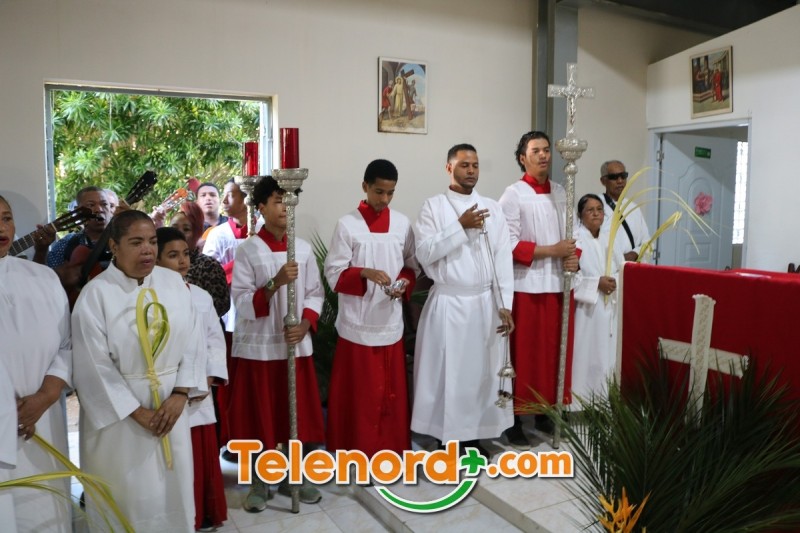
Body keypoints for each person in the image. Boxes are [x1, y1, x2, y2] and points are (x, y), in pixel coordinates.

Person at [72, 210, 202, 532]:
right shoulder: (96, 294)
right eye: (136, 242)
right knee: (126, 499)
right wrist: (137, 412)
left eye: (152, 241)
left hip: (171, 410)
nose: (147, 250)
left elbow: (193, 339)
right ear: (114, 246)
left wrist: (180, 394)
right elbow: (93, 365)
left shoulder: (174, 283)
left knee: (173, 494)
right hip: (120, 421)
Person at [227, 176, 324, 510]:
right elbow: (241, 301)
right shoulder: (248, 250)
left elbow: (315, 293)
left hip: (294, 344)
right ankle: (259, 481)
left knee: (294, 414)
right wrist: (275, 282)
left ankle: (294, 476)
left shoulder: (304, 249)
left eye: (290, 200)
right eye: (278, 200)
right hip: (260, 347)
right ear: (262, 207)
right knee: (261, 416)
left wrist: (306, 324)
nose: (285, 207)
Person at [411, 144, 514, 456]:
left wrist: (505, 305)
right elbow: (424, 253)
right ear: (449, 168)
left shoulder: (492, 208)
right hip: (449, 302)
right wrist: (460, 227)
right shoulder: (433, 207)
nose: (471, 170)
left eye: (475, 165)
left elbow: (503, 259)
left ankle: (476, 436)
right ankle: (447, 438)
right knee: (450, 374)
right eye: (464, 165)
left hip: (485, 302)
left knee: (481, 373)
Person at [324, 159, 418, 457]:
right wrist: (364, 272)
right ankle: (355, 449)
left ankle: (390, 449)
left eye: (391, 193)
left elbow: (411, 266)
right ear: (365, 186)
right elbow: (334, 273)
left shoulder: (402, 224)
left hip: (389, 321)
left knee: (389, 392)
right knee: (361, 393)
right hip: (358, 323)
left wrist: (403, 283)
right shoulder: (347, 225)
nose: (385, 199)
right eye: (379, 192)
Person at [498, 130, 579, 448]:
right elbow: (508, 244)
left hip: (559, 285)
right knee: (526, 355)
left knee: (554, 354)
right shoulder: (513, 195)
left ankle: (547, 411)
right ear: (523, 158)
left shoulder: (562, 191)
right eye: (536, 151)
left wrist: (573, 257)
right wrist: (552, 251)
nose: (543, 155)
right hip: (527, 287)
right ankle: (515, 419)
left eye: (546, 150)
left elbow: (575, 236)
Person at [0, 195, 72, 532]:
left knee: (46, 510)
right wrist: (8, 412)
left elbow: (67, 345)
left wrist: (45, 396)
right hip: (7, 424)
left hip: (44, 420)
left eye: (6, 218)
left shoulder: (43, 278)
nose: (1, 228)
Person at [156, 227, 228, 532]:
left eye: (185, 254)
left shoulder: (200, 296)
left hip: (199, 392)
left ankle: (203, 513)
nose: (183, 261)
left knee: (198, 455)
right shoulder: (148, 299)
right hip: (165, 393)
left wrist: (207, 378)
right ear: (156, 260)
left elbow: (214, 340)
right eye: (173, 255)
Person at [572, 194, 624, 403]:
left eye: (599, 209)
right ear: (580, 215)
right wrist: (596, 283)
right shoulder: (576, 240)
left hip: (609, 306)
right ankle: (579, 402)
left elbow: (621, 267)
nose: (596, 214)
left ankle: (604, 401)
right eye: (590, 210)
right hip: (586, 310)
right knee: (586, 355)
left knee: (607, 355)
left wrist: (614, 281)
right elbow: (571, 276)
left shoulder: (610, 239)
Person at [170, 201, 231, 318]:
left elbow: (221, 305)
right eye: (174, 228)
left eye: (186, 229)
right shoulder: (159, 264)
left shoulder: (208, 265)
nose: (178, 234)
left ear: (196, 233)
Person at [598, 160, 651, 262]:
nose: (620, 181)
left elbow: (647, 241)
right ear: (603, 181)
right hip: (606, 267)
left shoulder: (634, 208)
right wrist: (618, 259)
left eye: (623, 176)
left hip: (632, 267)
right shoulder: (596, 207)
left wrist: (634, 253)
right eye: (614, 177)